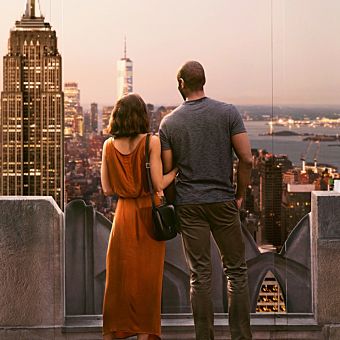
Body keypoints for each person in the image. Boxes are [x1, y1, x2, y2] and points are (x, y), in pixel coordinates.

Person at [159, 61, 253, 340]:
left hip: (189, 205)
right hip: (223, 200)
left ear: (181, 84)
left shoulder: (169, 122)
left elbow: (168, 171)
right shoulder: (228, 113)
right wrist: (239, 194)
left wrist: (178, 205)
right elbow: (246, 158)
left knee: (200, 276)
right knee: (236, 272)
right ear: (204, 81)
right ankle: (241, 337)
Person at [101, 93, 177, 340]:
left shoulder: (108, 145)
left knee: (118, 284)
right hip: (148, 216)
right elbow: (158, 184)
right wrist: (176, 170)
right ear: (142, 116)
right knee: (147, 284)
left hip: (122, 216)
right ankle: (145, 334)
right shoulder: (151, 142)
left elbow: (107, 189)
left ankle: (114, 332)